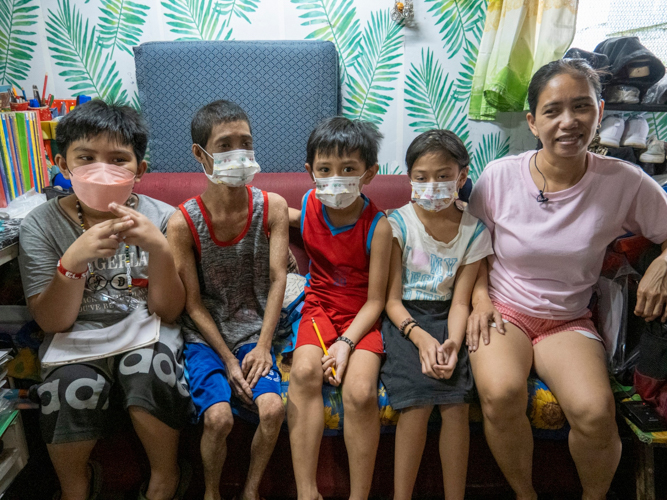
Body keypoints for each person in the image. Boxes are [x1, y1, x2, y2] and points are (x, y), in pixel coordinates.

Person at [466, 58, 667, 500]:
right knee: (500, 394)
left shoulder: (624, 181)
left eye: (581, 107)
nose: (568, 122)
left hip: (568, 318)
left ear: (599, 111)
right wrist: (480, 301)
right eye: (553, 110)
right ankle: (525, 493)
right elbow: (471, 251)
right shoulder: (500, 176)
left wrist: (661, 262)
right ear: (532, 121)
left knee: (595, 413)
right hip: (505, 311)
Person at [18, 100, 191, 500]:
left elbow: (169, 310)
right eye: (86, 157)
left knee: (150, 370)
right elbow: (52, 322)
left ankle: (165, 477)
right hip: (75, 335)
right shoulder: (41, 225)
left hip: (146, 329)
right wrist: (72, 264)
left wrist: (160, 250)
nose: (102, 169)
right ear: (64, 165)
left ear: (140, 170)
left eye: (118, 159)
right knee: (66, 387)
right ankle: (75, 487)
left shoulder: (163, 217)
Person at [167, 100, 288, 500]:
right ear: (200, 154)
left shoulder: (273, 207)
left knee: (272, 409)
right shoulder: (183, 221)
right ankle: (212, 492)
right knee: (218, 419)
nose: (238, 153)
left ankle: (251, 491)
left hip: (256, 328)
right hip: (206, 335)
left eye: (246, 143)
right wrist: (230, 359)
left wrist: (265, 347)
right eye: (225, 144)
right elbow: (193, 304)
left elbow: (278, 280)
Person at [382, 130, 493, 500]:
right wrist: (420, 337)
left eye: (444, 176)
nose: (433, 185)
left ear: (462, 176)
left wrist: (451, 344)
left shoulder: (475, 231)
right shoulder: (397, 224)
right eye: (422, 177)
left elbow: (461, 302)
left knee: (456, 404)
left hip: (447, 318)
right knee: (417, 402)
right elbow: (391, 301)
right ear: (409, 178)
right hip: (405, 319)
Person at [286, 117, 392, 500]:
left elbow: (377, 300)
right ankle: (306, 491)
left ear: (369, 173)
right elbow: (297, 223)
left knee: (361, 392)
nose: (336, 178)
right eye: (325, 169)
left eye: (349, 169)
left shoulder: (378, 226)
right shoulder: (309, 202)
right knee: (302, 373)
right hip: (317, 307)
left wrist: (346, 343)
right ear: (309, 171)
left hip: (362, 317)